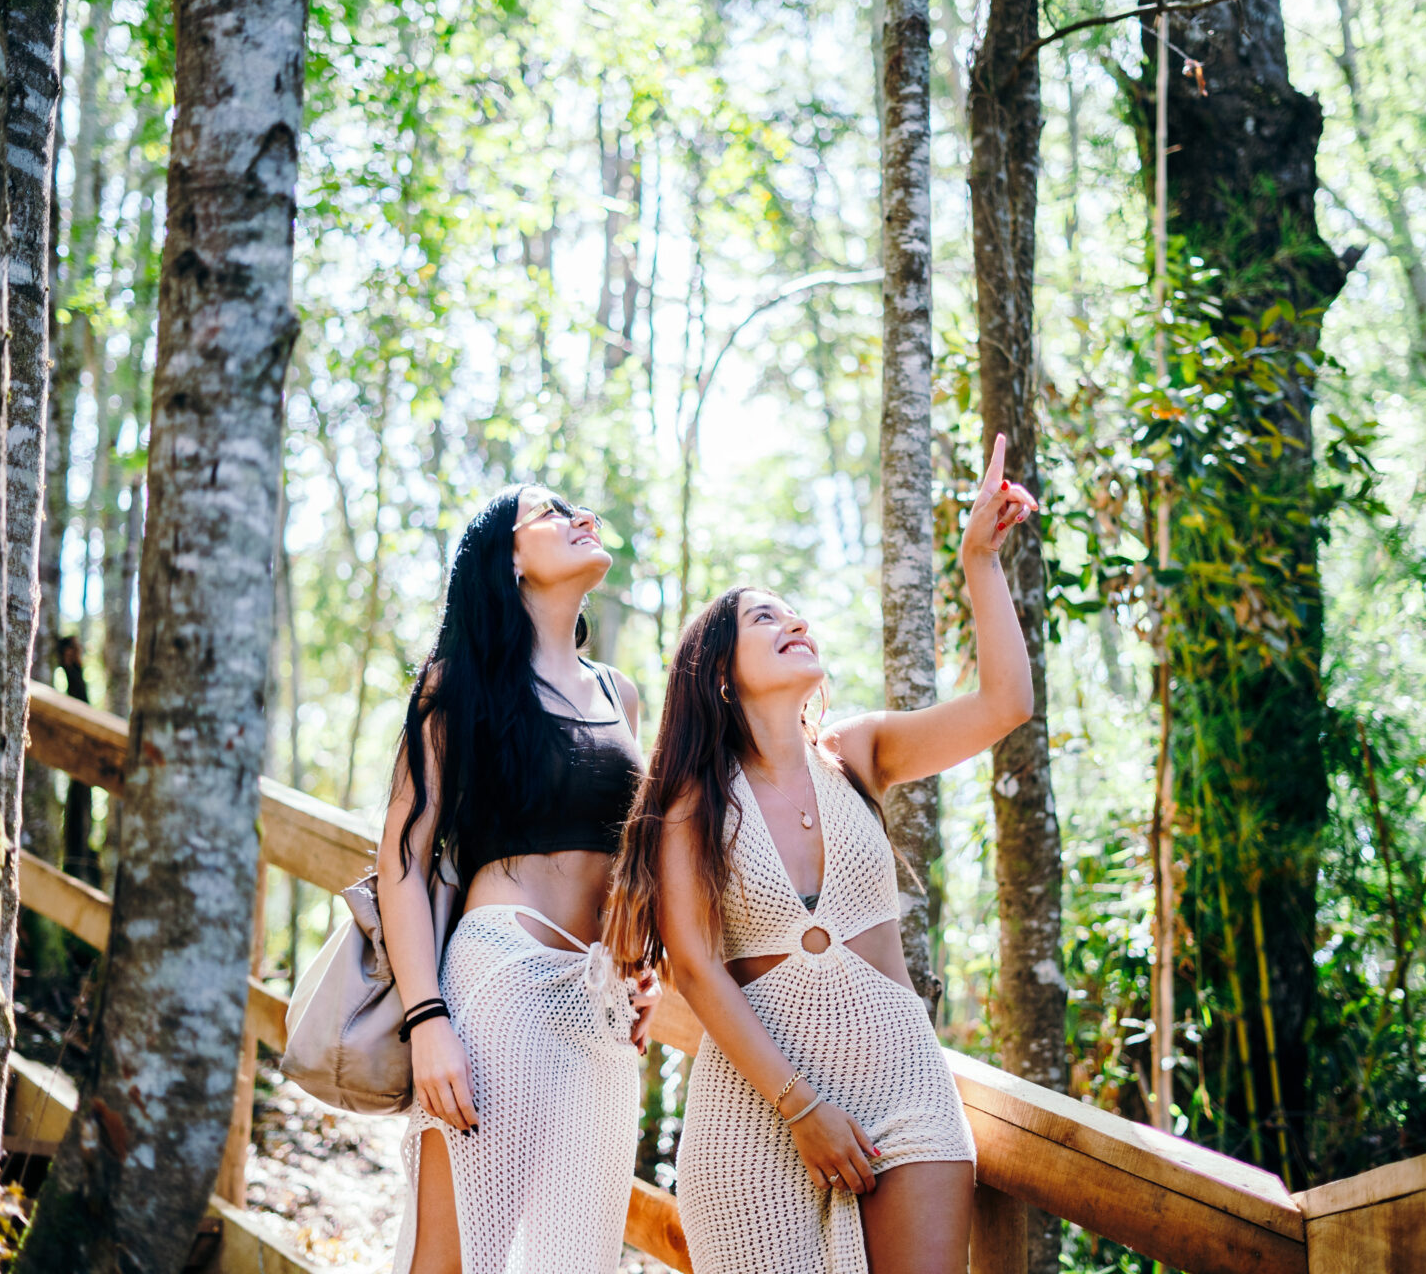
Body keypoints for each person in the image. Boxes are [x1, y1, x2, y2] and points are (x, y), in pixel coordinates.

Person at [606, 434, 1038, 1273]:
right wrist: (803, 1107)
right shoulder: (694, 801)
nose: (793, 621)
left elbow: (1005, 702)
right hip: (759, 1108)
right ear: (720, 674)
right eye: (763, 617)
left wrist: (979, 561)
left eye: (793, 610)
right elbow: (693, 968)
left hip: (903, 1080)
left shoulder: (859, 754)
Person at [379, 486, 658, 1274]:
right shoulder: (456, 686)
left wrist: (644, 972)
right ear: (507, 557)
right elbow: (400, 860)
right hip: (497, 985)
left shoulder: (620, 695)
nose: (582, 517)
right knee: (457, 1253)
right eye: (552, 511)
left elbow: (630, 866)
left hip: (597, 1005)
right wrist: (427, 1019)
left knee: (574, 1259)